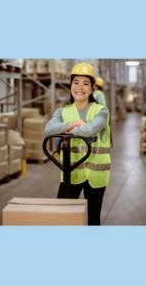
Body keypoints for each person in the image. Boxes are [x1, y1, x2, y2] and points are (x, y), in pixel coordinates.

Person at [44, 62, 110, 226]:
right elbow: (49, 130)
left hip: (96, 173)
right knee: (63, 216)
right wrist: (72, 124)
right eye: (76, 82)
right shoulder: (63, 111)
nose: (80, 87)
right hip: (70, 171)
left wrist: (70, 130)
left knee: (93, 218)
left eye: (86, 83)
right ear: (71, 85)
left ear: (93, 87)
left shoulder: (101, 111)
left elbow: (90, 130)